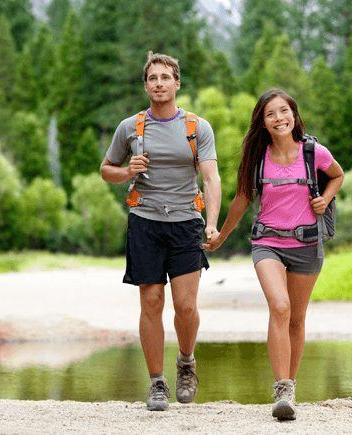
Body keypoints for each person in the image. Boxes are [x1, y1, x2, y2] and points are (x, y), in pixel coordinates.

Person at [203, 88, 344, 420]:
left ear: (293, 115)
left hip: (308, 244)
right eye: (271, 114)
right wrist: (222, 235)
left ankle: (290, 389)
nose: (279, 118)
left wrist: (324, 197)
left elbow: (337, 175)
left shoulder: (314, 152)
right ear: (262, 123)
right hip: (267, 242)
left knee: (296, 317)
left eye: (284, 111)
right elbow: (242, 199)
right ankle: (281, 387)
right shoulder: (258, 157)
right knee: (279, 306)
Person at [100, 52, 221, 411]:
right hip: (145, 222)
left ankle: (186, 362)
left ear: (177, 83)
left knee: (185, 306)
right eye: (152, 78)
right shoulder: (130, 128)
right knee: (151, 301)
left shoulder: (197, 127)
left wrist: (212, 222)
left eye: (165, 77)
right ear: (145, 85)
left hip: (186, 222)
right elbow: (107, 169)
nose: (159, 83)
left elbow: (211, 178)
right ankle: (156, 383)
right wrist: (126, 172)